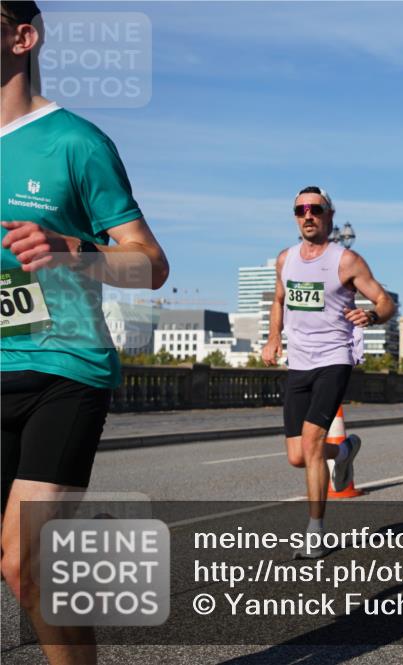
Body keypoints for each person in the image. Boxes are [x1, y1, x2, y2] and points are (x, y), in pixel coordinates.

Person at [0, 3, 170, 662]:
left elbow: (151, 264)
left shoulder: (76, 143)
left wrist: (72, 247)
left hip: (63, 369)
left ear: (23, 36)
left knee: (24, 562)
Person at [262, 186, 396, 558]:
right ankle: (345, 450)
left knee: (311, 443)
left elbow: (385, 301)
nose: (308, 215)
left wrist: (371, 315)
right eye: (300, 210)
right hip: (298, 362)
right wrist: (273, 338)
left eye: (315, 209)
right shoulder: (285, 259)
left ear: (329, 215)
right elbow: (279, 300)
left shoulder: (346, 260)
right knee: (297, 455)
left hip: (334, 358)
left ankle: (315, 532)